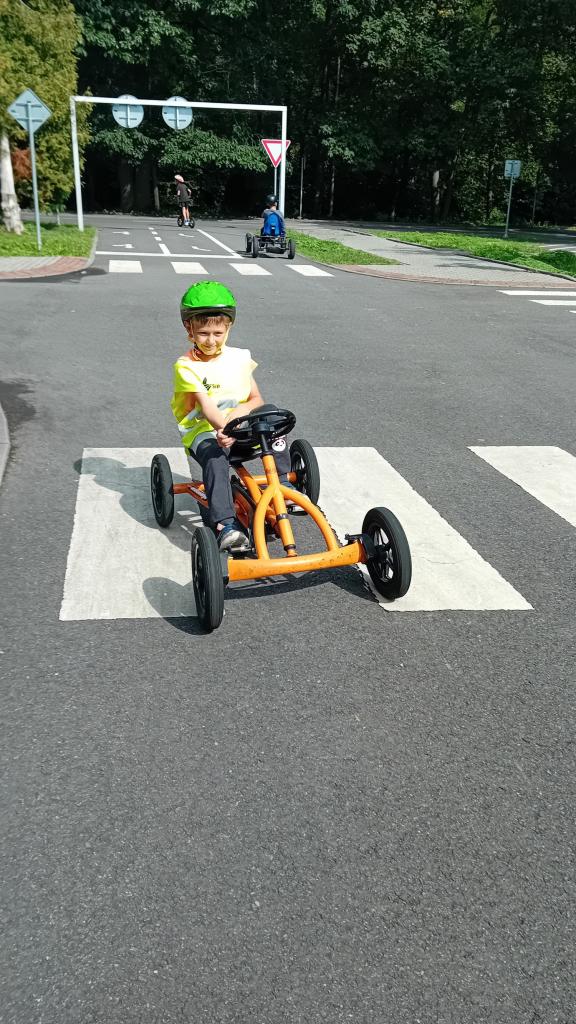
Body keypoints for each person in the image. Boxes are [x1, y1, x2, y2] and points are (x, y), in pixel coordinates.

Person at [171, 281, 293, 551]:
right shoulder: (186, 366)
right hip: (205, 432)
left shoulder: (239, 358)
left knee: (272, 416)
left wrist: (237, 419)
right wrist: (224, 429)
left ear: (228, 328)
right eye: (203, 333)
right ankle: (226, 524)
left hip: (239, 428)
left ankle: (284, 485)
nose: (211, 340)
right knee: (216, 458)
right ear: (189, 329)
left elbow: (255, 399)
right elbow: (206, 407)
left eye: (217, 332)